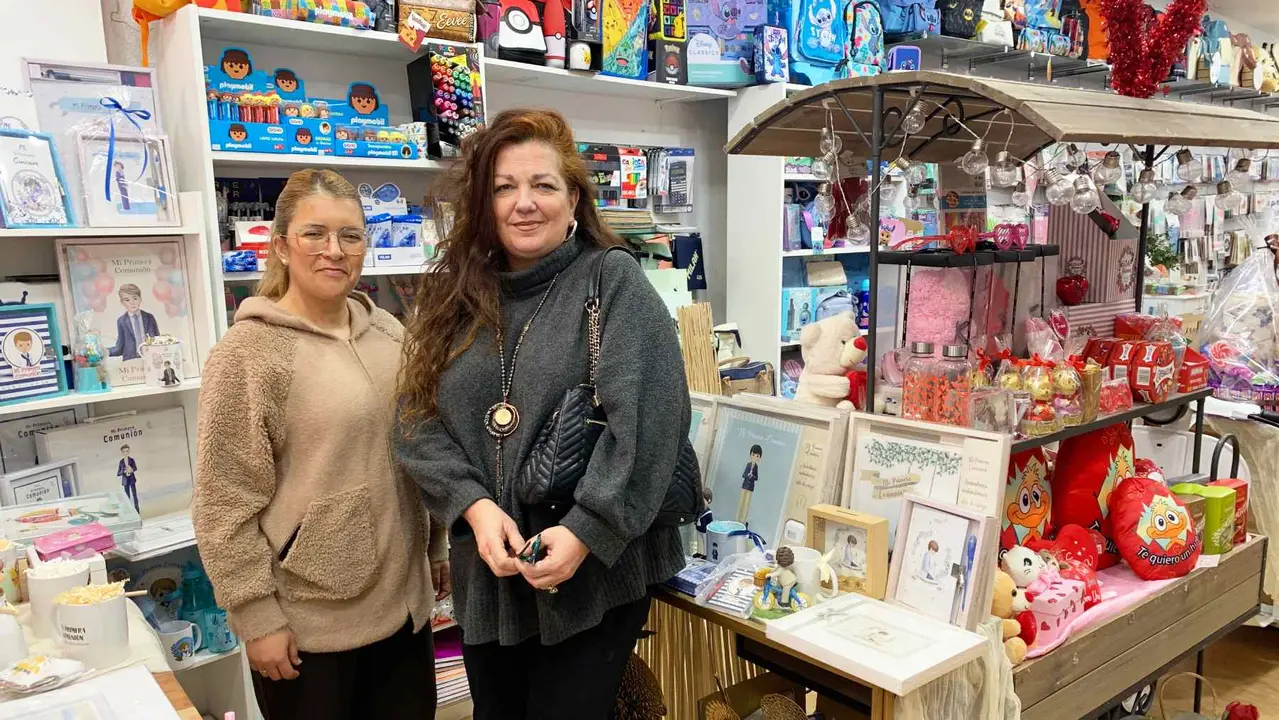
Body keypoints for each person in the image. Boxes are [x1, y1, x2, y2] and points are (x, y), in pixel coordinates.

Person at [394, 108, 689, 720]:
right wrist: (473, 507)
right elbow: (414, 421)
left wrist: (587, 530)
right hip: (491, 572)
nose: (524, 203)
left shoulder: (613, 282)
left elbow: (651, 423)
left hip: (592, 574)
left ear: (574, 199)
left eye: (543, 185)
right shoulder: (454, 296)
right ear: (484, 204)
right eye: (505, 188)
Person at [192, 169, 446, 720]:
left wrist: (435, 545)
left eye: (350, 235)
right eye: (315, 234)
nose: (334, 250)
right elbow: (223, 503)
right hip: (309, 629)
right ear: (282, 246)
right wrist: (256, 616)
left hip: (403, 612)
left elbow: (423, 452)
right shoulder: (249, 355)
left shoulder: (392, 336)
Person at [109, 284, 159, 361]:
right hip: (131, 363)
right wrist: (103, 352)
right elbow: (119, 348)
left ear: (140, 299)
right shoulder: (122, 321)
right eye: (127, 300)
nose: (132, 303)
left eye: (135, 298)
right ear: (122, 302)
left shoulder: (149, 317)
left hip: (150, 359)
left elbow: (157, 341)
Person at [737, 444, 762, 523]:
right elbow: (743, 475)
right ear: (751, 455)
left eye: (757, 456)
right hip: (744, 486)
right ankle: (737, 519)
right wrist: (748, 475)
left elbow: (756, 478)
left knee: (747, 504)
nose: (755, 457)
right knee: (741, 503)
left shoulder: (756, 467)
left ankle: (743, 521)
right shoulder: (748, 465)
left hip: (750, 488)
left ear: (759, 458)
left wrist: (752, 476)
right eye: (753, 455)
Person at [118, 444, 139, 513]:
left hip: (132, 480)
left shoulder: (131, 460)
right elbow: (118, 473)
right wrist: (123, 471)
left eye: (127, 451)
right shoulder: (121, 462)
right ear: (121, 452)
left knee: (134, 495)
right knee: (127, 497)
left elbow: (135, 468)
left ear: (129, 451)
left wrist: (131, 469)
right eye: (124, 451)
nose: (125, 453)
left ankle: (137, 510)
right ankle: (129, 511)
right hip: (125, 481)